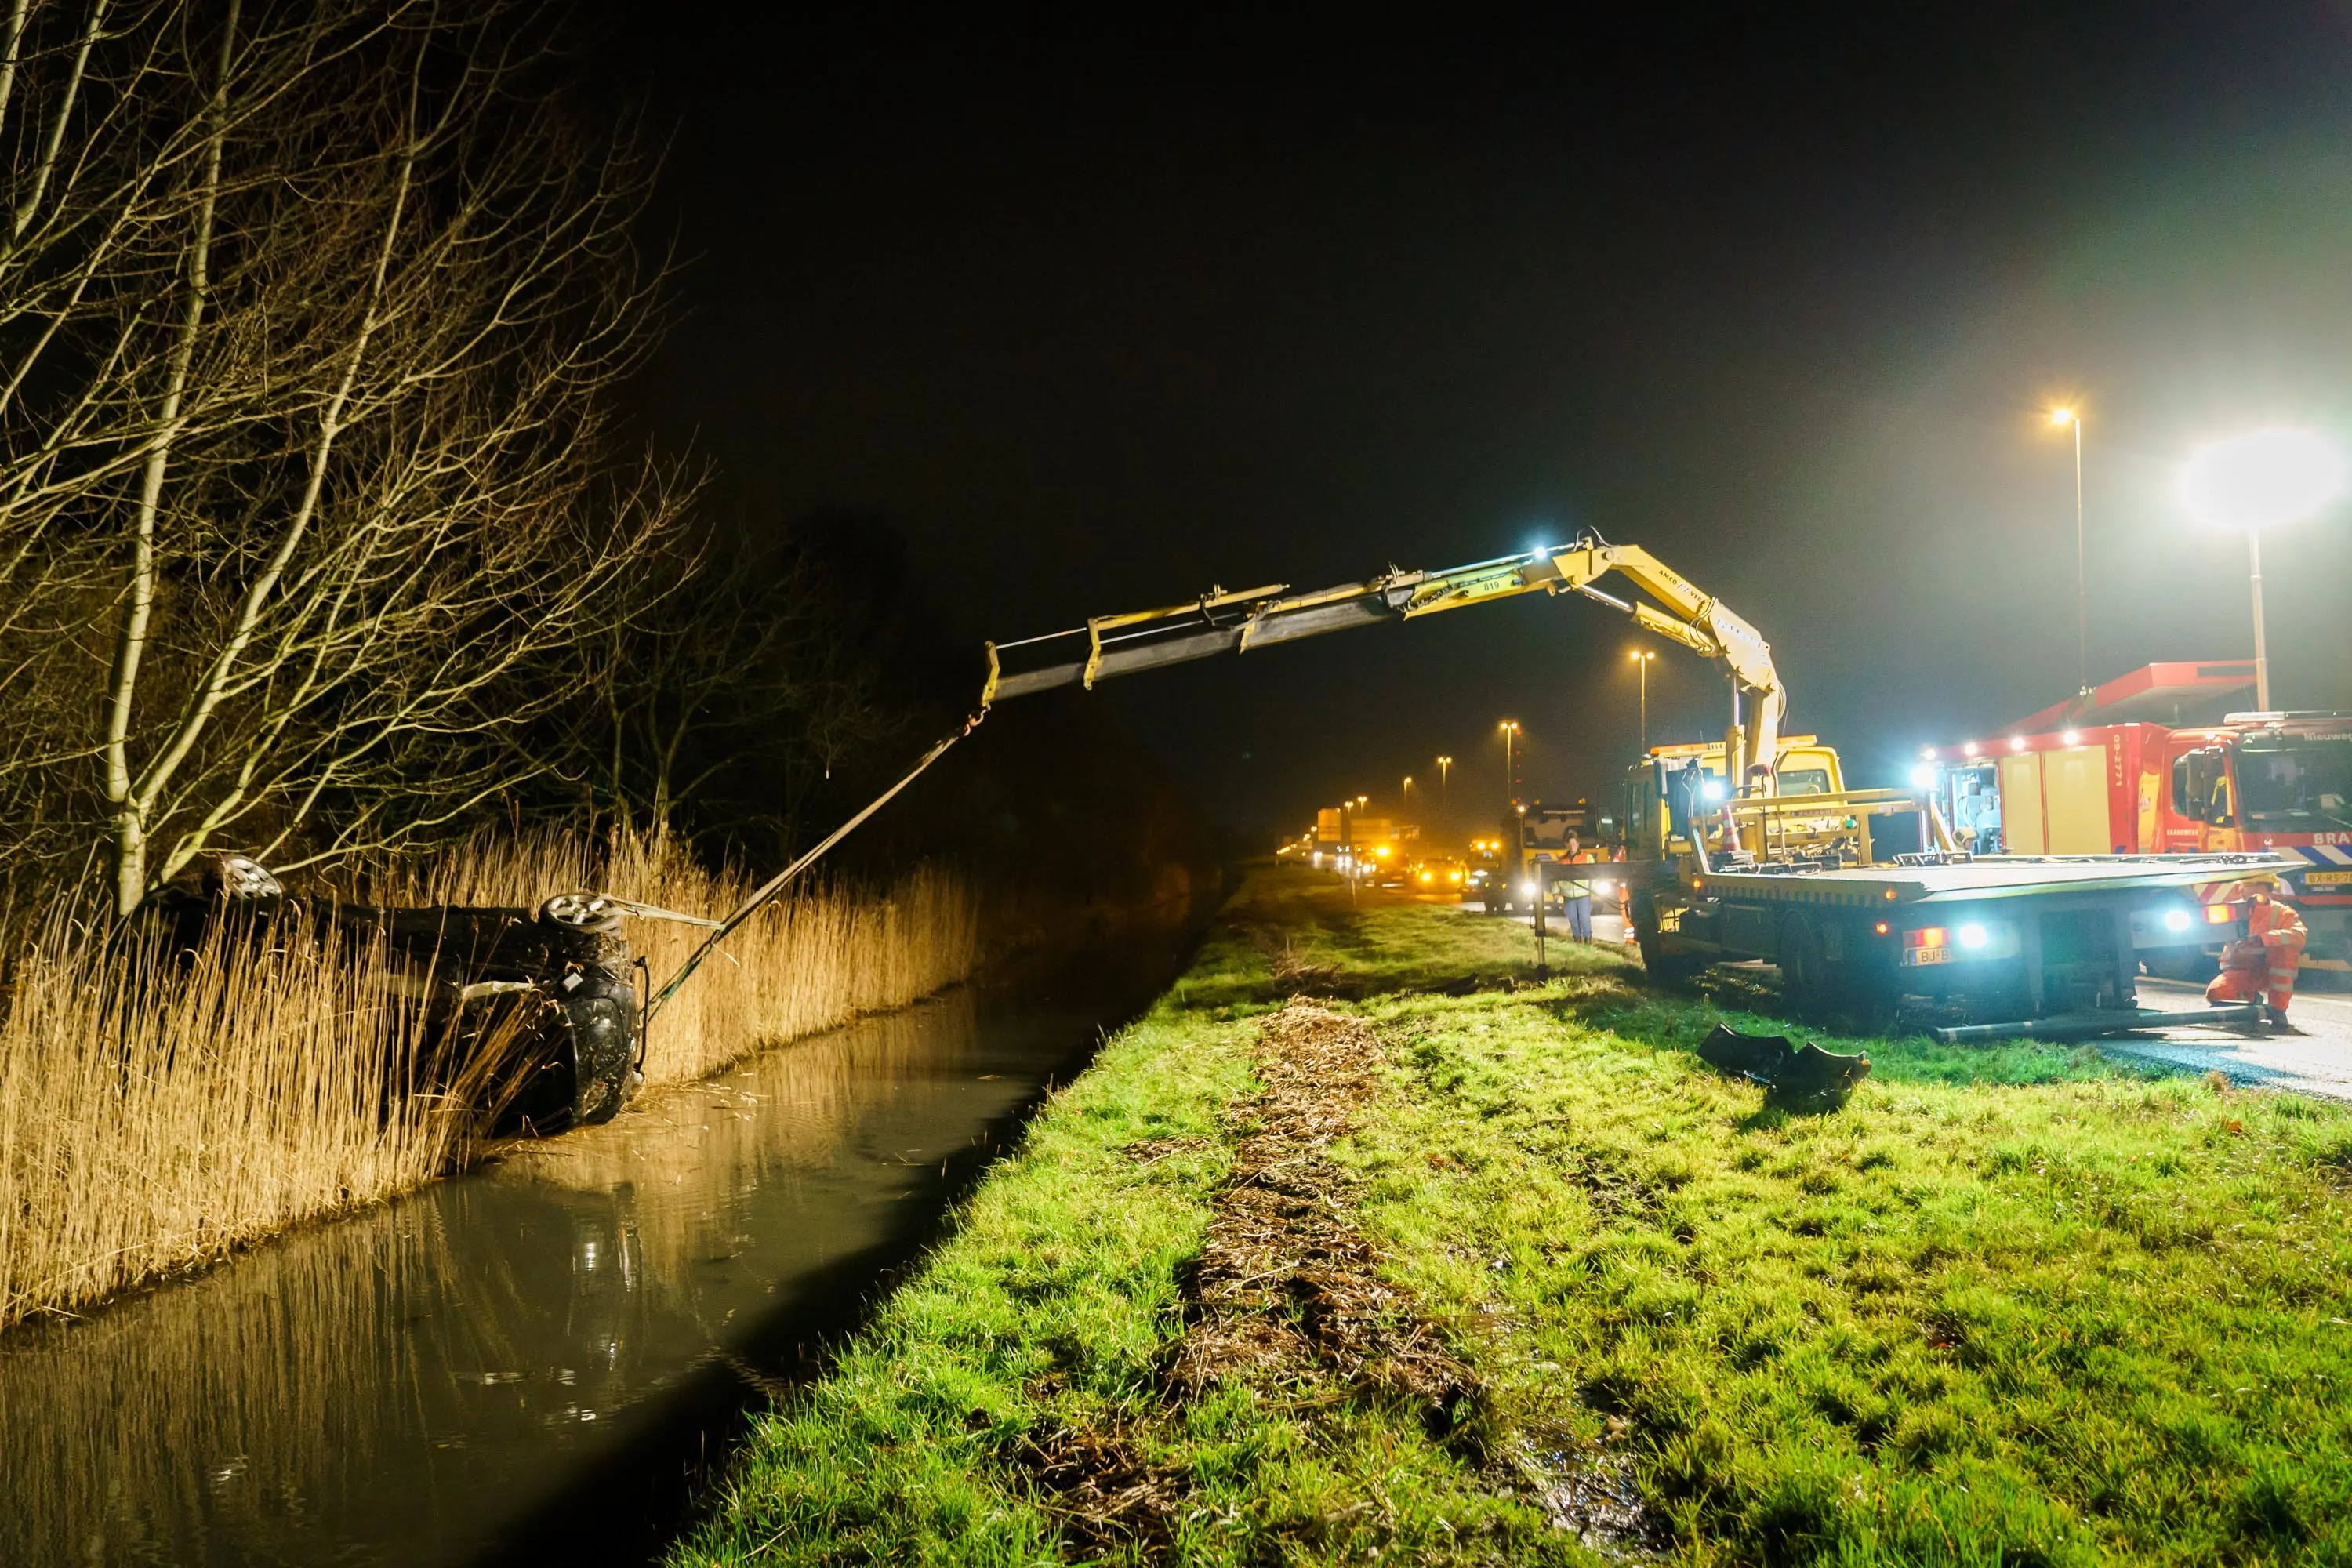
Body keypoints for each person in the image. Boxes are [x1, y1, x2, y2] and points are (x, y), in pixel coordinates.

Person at [2205, 876, 2307, 1022]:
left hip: (2270, 970)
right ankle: (2250, 998)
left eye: (2244, 885)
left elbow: (2298, 935)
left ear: (2261, 887)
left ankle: (2278, 1009)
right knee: (2216, 993)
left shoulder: (2282, 913)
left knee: (2284, 950)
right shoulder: (2236, 911)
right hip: (2243, 969)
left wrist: (2263, 939)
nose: (2239, 890)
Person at [1560, 831, 1597, 943]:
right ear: (1566, 845)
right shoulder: (1562, 861)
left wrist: (1593, 890)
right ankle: (1577, 939)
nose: (1572, 846)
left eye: (1574, 843)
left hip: (1584, 894)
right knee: (1573, 919)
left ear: (1578, 844)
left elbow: (1594, 875)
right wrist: (1556, 892)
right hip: (1568, 895)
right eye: (1570, 843)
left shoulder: (1587, 857)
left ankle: (1587, 939)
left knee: (1584, 918)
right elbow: (1557, 879)